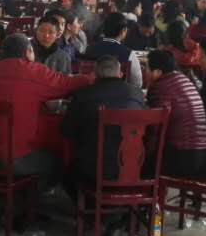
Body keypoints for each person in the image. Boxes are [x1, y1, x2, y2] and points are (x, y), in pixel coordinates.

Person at [0, 33, 90, 180]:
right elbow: (66, 84)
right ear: (28, 51)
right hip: (14, 160)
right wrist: (94, 78)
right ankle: (34, 193)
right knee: (58, 161)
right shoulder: (33, 71)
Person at [60, 54, 146, 187]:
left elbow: (66, 131)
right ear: (120, 74)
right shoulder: (138, 95)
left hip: (92, 172)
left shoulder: (83, 95)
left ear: (94, 75)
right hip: (134, 169)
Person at [145, 49, 206, 177]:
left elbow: (155, 128)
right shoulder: (184, 80)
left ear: (157, 72)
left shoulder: (160, 87)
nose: (145, 73)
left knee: (138, 161)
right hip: (201, 155)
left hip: (182, 158)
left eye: (146, 68)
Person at [83, 11, 144, 89]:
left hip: (91, 93)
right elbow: (137, 83)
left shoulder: (89, 49)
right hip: (119, 95)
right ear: (123, 31)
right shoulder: (129, 54)